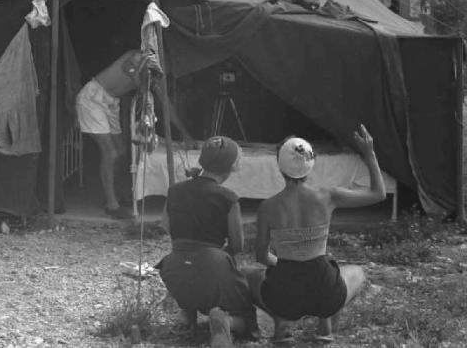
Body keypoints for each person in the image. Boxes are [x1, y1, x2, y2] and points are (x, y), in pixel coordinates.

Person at [250, 125, 385, 344]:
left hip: (284, 296)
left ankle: (281, 322)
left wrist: (287, 264)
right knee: (357, 272)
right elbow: (378, 194)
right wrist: (369, 153)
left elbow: (261, 257)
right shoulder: (328, 196)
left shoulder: (268, 207)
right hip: (325, 293)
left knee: (250, 275)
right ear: (310, 165)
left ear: (280, 167)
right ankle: (325, 322)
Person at [156, 136, 258, 347]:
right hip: (213, 266)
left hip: (173, 268)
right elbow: (237, 245)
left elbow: (166, 225)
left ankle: (187, 314)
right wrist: (218, 260)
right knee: (248, 317)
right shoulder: (228, 198)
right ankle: (227, 322)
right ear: (233, 166)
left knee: (193, 278)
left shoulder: (175, 190)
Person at [76, 49, 189, 219]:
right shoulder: (136, 57)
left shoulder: (156, 77)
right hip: (93, 97)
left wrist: (185, 133)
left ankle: (116, 193)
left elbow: (167, 106)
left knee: (121, 151)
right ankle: (111, 204)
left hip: (111, 102)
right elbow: (132, 73)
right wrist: (145, 75)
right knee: (111, 153)